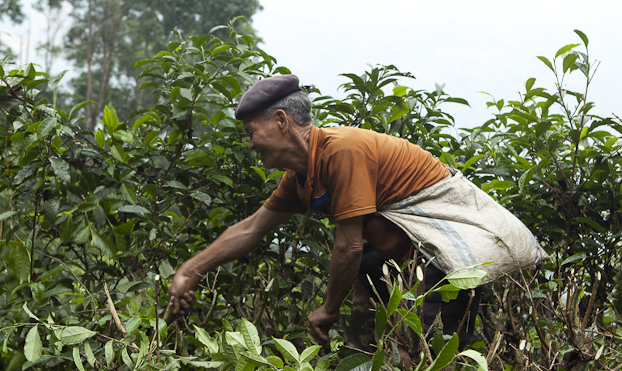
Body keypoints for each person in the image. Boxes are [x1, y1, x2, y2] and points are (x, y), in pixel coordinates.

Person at [168, 74, 546, 346]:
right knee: (385, 353)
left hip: (439, 263)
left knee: (437, 370)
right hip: (401, 266)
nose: (250, 144)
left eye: (252, 132)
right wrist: (190, 270)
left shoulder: (342, 150)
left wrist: (328, 309)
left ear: (282, 122)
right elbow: (252, 229)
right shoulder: (300, 176)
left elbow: (347, 246)